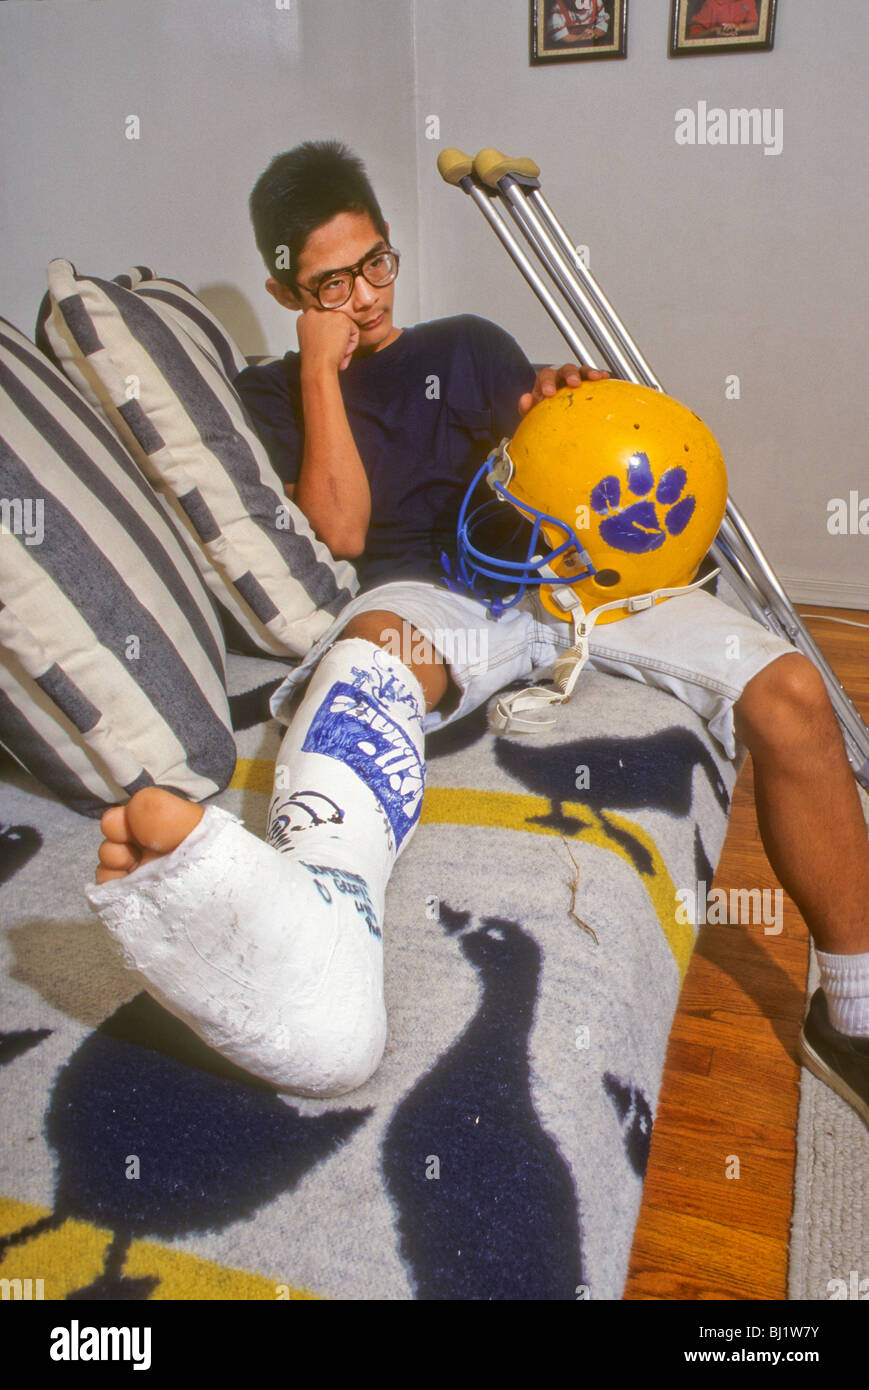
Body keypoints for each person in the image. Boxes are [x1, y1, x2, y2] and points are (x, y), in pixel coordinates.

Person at [87, 143, 869, 1125]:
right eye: (333, 281)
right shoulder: (272, 399)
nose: (366, 296)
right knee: (367, 648)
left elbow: (539, 449)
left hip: (558, 571)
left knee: (792, 692)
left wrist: (557, 410)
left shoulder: (463, 343)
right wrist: (322, 376)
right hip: (431, 592)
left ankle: (852, 1015)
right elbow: (339, 528)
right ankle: (317, 928)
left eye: (377, 263)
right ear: (285, 286)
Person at [688, 0, 759, 39]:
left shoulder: (748, 1)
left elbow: (754, 24)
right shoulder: (712, 3)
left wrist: (738, 27)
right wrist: (713, 30)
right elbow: (692, 35)